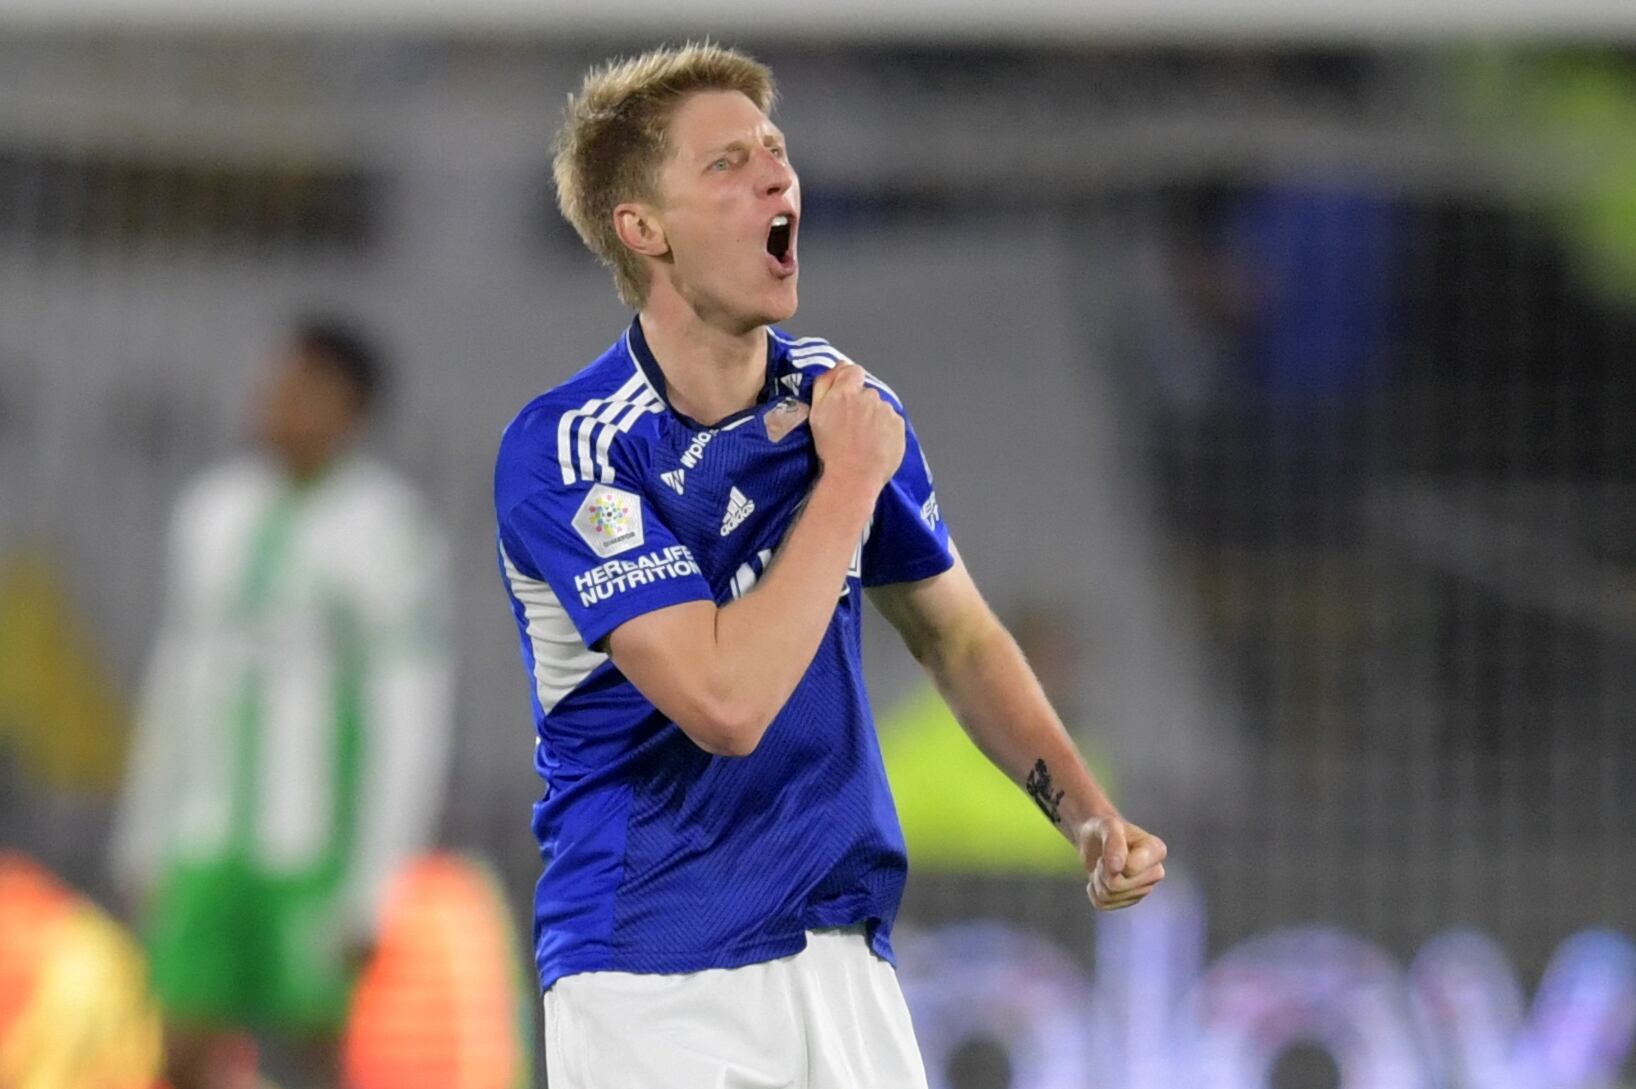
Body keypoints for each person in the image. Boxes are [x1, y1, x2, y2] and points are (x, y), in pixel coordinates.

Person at [493, 43, 1166, 1088]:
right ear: (643, 228)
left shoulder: (848, 404)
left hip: (844, 961)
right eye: (726, 164)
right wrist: (847, 483)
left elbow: (957, 635)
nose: (775, 176)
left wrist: (1085, 814)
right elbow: (723, 701)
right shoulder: (576, 449)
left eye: (775, 150)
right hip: (654, 972)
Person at [112, 319, 454, 1089]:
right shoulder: (214, 511)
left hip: (311, 847)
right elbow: (177, 679)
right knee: (178, 1049)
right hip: (205, 835)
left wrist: (377, 882)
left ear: (350, 407)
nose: (276, 402)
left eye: (302, 388)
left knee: (316, 1051)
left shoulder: (386, 531)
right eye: (273, 384)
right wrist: (144, 831)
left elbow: (409, 717)